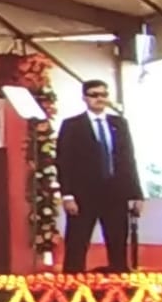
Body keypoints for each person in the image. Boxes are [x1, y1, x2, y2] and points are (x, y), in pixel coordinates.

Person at [57, 79, 143, 273]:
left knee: (117, 241)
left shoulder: (119, 124)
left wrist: (136, 194)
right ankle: (71, 283)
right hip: (83, 194)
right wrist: (67, 195)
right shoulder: (72, 125)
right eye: (94, 95)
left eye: (103, 95)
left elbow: (128, 159)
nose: (100, 99)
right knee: (77, 242)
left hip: (115, 193)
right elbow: (64, 161)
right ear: (84, 98)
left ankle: (119, 281)